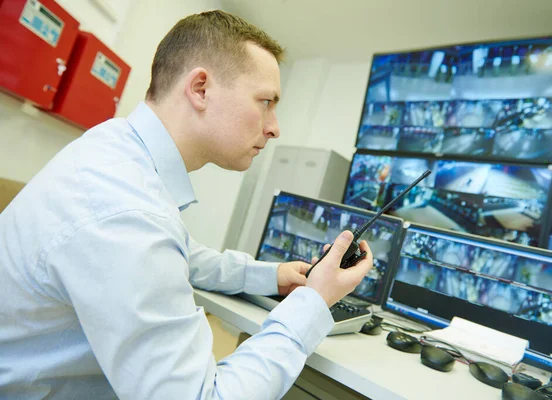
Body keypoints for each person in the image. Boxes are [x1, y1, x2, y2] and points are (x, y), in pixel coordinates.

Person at [0, 10, 374, 400]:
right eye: (266, 101)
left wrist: (270, 275)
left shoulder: (117, 153)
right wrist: (314, 303)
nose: (275, 126)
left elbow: (178, 253)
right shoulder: (128, 213)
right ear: (200, 89)